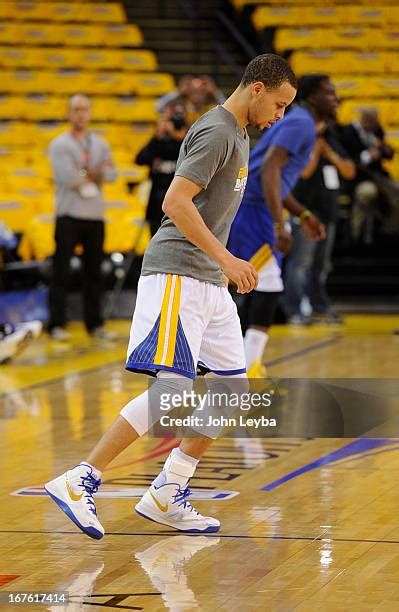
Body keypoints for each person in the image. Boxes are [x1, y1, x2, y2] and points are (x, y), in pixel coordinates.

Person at [44, 54, 297, 537]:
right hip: (178, 272)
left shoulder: (240, 134)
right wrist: (226, 259)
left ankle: (167, 491)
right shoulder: (219, 131)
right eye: (280, 105)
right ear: (258, 88)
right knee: (172, 396)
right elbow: (174, 202)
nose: (280, 116)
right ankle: (81, 479)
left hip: (207, 280)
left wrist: (220, 265)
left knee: (230, 391)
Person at [227, 74, 333, 375]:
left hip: (253, 206)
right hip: (254, 210)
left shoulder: (299, 122)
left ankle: (239, 364)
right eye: (330, 92)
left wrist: (302, 215)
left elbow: (276, 180)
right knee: (264, 283)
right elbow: (270, 169)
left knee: (253, 283)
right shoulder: (301, 123)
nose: (336, 98)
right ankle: (243, 366)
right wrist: (278, 224)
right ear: (313, 97)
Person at [47, 94, 117, 341]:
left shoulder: (99, 143)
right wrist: (95, 171)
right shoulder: (59, 144)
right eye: (76, 109)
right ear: (68, 113)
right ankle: (56, 324)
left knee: (94, 273)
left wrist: (86, 172)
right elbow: (69, 178)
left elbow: (112, 174)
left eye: (85, 109)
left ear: (89, 113)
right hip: (68, 214)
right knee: (61, 271)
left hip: (94, 216)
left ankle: (95, 324)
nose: (81, 114)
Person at [284, 96, 356, 324]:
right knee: (300, 263)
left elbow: (349, 171)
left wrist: (330, 154)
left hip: (329, 212)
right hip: (306, 212)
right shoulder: (302, 142)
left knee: (321, 265)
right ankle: (294, 309)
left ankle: (318, 305)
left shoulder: (333, 141)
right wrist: (315, 149)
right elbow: (304, 172)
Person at [340, 107, 399, 241]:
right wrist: (369, 156)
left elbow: (387, 154)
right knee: (366, 193)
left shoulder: (376, 131)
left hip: (379, 176)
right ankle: (356, 234)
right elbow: (348, 161)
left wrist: (385, 150)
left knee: (396, 190)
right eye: (373, 122)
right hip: (359, 179)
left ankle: (390, 232)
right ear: (366, 120)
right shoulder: (348, 132)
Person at [136, 103, 188, 236]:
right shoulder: (158, 143)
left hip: (180, 202)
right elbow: (140, 159)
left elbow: (190, 157)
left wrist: (179, 137)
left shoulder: (186, 142)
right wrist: (156, 137)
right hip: (156, 202)